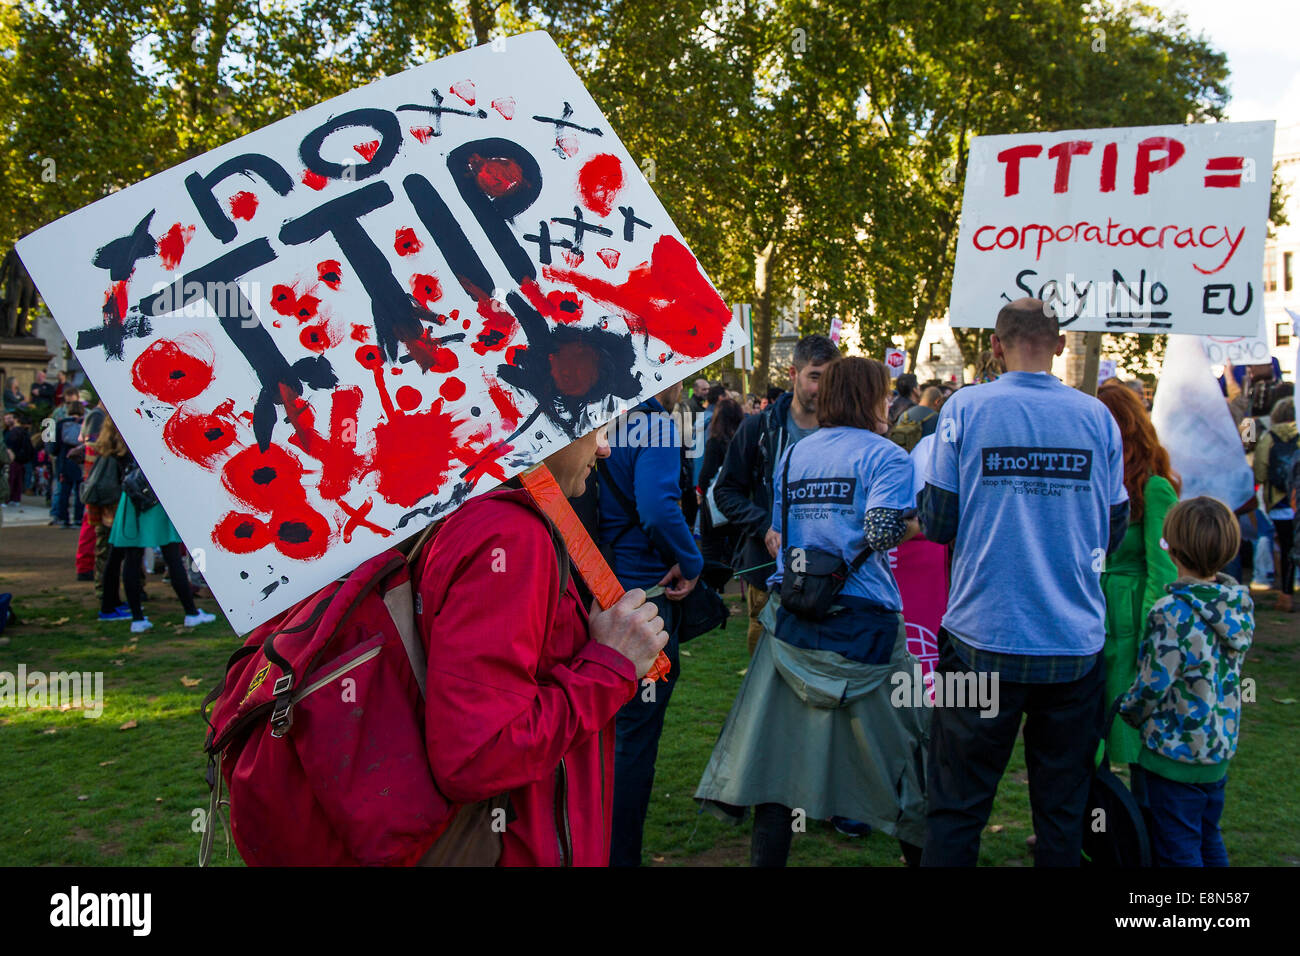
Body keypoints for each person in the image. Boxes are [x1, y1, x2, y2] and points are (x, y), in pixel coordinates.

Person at [919, 298, 1128, 867]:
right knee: (1062, 814)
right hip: (1072, 646)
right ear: (1060, 346)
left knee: (956, 807)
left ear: (995, 345)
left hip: (980, 639)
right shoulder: (1096, 418)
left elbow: (937, 521)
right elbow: (1113, 525)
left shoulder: (966, 407)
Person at [695, 358, 927, 865]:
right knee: (910, 763)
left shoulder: (796, 455)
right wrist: (918, 519)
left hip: (796, 622)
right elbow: (885, 532)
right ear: (871, 397)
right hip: (866, 626)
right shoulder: (888, 457)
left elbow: (784, 533)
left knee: (778, 765)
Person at [417, 423, 669, 866]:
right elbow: (475, 754)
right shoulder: (510, 535)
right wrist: (611, 665)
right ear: (537, 424)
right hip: (516, 844)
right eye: (594, 426)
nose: (606, 448)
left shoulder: (475, 509)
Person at [597, 381, 703, 866]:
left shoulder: (596, 423)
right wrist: (692, 560)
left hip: (592, 593)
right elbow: (659, 509)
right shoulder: (656, 424)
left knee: (598, 736)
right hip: (645, 601)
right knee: (632, 745)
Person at [1119, 497, 1253, 867]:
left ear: (1173, 548)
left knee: (1177, 849)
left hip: (1173, 756)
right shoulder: (1238, 606)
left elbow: (1152, 683)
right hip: (1217, 752)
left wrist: (1127, 708)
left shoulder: (1170, 613)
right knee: (1209, 837)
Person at [714, 334, 840, 655]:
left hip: (829, 576)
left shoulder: (845, 431)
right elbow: (725, 492)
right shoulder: (758, 429)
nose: (822, 388)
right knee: (764, 672)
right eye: (815, 376)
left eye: (830, 378)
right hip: (769, 573)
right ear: (793, 374)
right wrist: (764, 526)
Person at [1096, 381, 1181, 783]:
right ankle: (1084, 826)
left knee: (1129, 730)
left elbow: (1163, 570)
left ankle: (1135, 831)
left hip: (1130, 621)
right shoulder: (1096, 477)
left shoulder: (1154, 487)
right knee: (1085, 725)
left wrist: (1152, 631)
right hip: (1091, 613)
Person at [105, 453, 216, 633]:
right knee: (170, 556)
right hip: (153, 492)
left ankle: (138, 619)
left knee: (134, 558)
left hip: (136, 491)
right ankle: (191, 613)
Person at [1253, 397, 1296, 612]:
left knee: (1286, 547)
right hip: (1298, 499)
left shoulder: (1268, 437)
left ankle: (1285, 594)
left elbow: (1259, 471)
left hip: (1279, 501)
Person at [695, 397, 745, 566]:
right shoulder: (743, 441)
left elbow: (706, 473)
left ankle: (713, 584)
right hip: (738, 501)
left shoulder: (715, 442)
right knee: (736, 545)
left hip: (715, 503)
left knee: (711, 551)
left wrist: (699, 492)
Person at [50, 395, 85, 528]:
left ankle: (64, 519)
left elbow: (54, 446)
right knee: (79, 491)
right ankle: (78, 518)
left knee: (64, 490)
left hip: (64, 459)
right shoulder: (85, 423)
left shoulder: (60, 424)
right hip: (80, 461)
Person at [3, 413, 32, 505]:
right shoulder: (22, 432)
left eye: (9, 418)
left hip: (13, 458)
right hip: (20, 459)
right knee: (16, 479)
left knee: (11, 479)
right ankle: (15, 499)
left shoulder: (15, 432)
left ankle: (8, 499)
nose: (7, 420)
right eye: (6, 419)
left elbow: (9, 446)